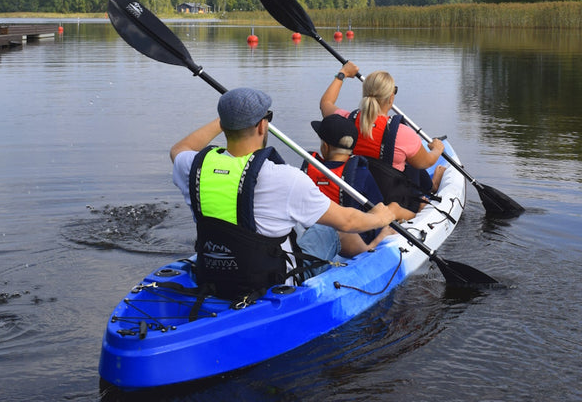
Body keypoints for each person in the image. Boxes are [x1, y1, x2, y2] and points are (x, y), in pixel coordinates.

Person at [169, 87, 395, 300]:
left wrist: (228, 119)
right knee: (330, 228)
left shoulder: (192, 167)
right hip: (274, 281)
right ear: (261, 126)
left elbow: (179, 149)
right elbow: (348, 221)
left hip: (214, 273)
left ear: (226, 126)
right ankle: (370, 250)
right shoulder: (285, 178)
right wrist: (380, 217)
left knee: (297, 224)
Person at [320, 62, 446, 213]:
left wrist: (343, 74)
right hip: (392, 202)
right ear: (391, 98)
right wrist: (437, 150)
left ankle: (430, 186)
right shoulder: (404, 134)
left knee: (410, 158)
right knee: (412, 162)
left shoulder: (345, 120)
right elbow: (425, 162)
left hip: (357, 194)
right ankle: (425, 194)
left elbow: (325, 103)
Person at [306, 114, 415, 257]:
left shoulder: (308, 170)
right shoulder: (360, 173)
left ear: (325, 147)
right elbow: (378, 206)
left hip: (316, 230)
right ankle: (417, 216)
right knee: (392, 207)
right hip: (354, 235)